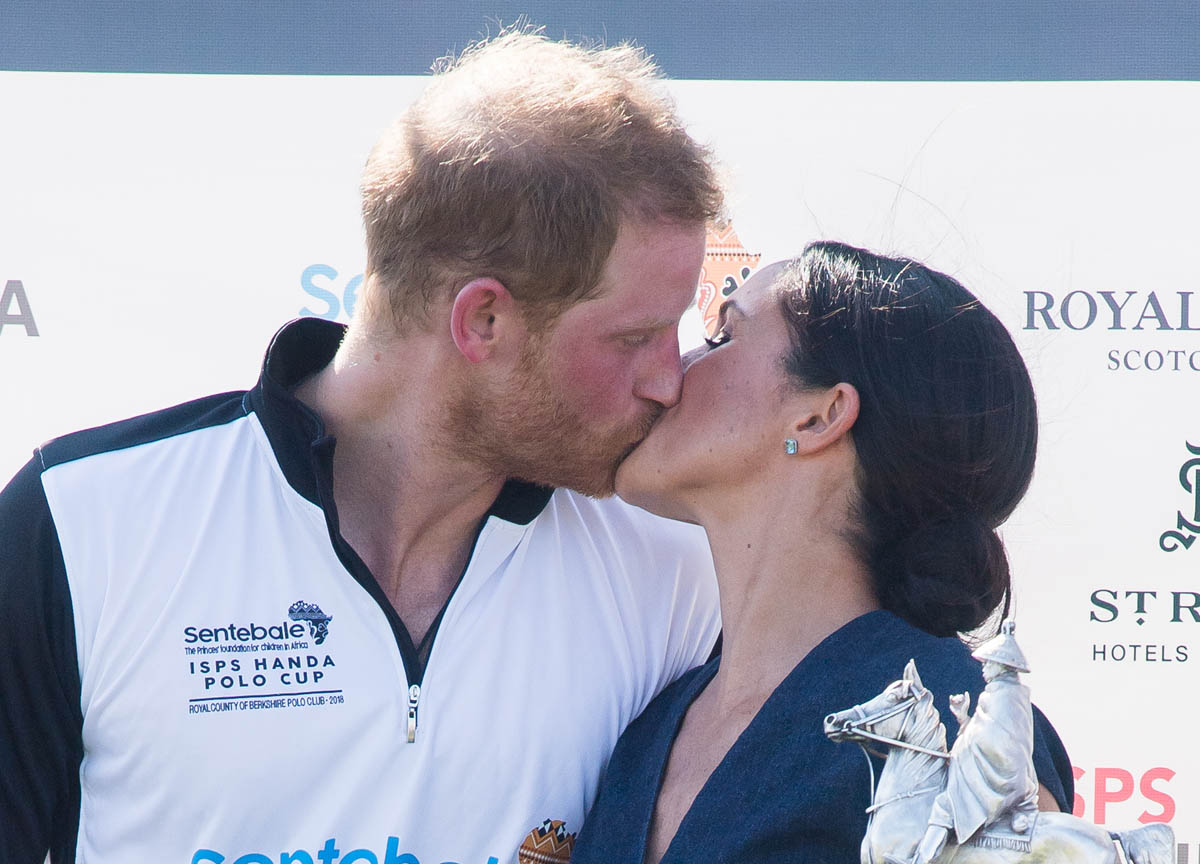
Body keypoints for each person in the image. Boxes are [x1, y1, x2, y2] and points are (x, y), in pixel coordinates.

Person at [0, 32, 723, 863]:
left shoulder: (680, 570)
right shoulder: (84, 523)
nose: (670, 380)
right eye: (636, 337)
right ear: (482, 320)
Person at [571, 242, 1075, 864]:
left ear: (820, 417)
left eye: (724, 336)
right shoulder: (652, 726)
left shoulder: (954, 730)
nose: (673, 371)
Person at [914, 620, 1039, 864]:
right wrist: (964, 719)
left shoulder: (1006, 697)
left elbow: (995, 744)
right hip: (995, 771)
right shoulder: (998, 693)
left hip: (1002, 779)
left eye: (989, 664)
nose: (984, 668)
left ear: (1002, 667)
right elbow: (984, 733)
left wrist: (964, 746)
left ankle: (923, 860)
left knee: (943, 806)